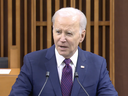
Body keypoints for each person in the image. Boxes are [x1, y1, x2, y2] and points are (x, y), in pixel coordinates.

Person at [9, 7, 118, 96]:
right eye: (58, 32)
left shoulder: (97, 64)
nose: (62, 39)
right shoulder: (32, 62)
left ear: (82, 36)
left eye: (68, 33)